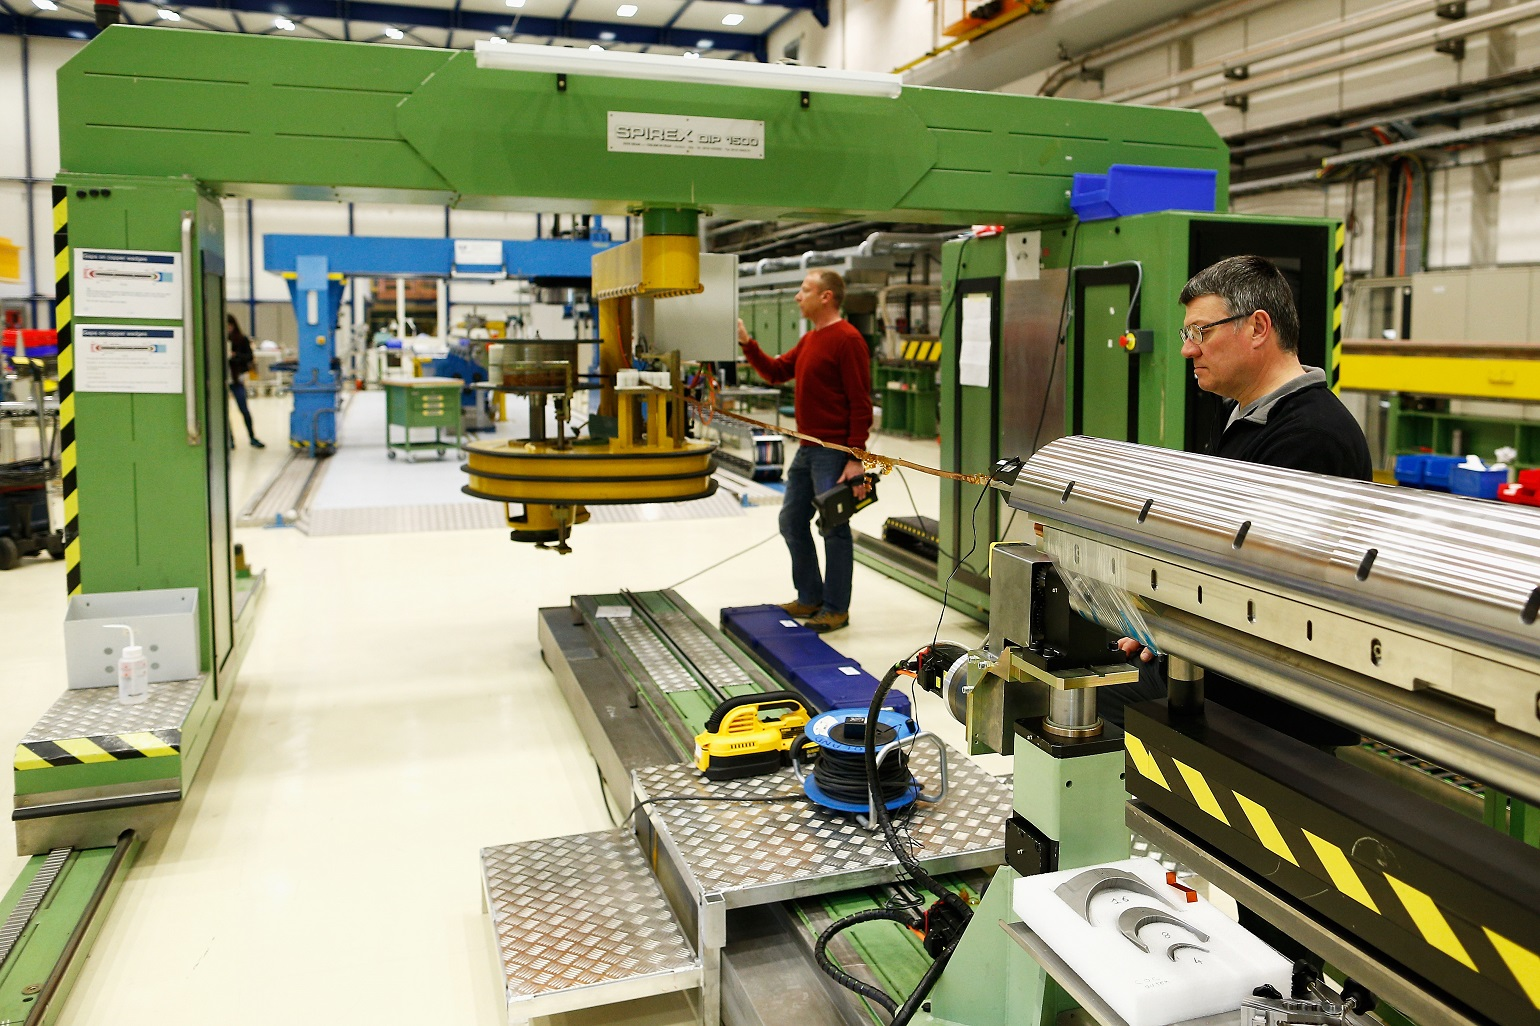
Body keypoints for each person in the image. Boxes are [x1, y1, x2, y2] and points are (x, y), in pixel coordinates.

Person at [1106, 254, 1372, 729]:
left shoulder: (1311, 437)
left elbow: (1273, 590)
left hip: (1274, 702)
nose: (1189, 350)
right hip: (1220, 663)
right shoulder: (1242, 416)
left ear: (1257, 328)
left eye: (1200, 332)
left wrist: (1170, 632)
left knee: (1081, 700)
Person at [737, 270, 873, 633]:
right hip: (807, 448)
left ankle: (835, 608)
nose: (798, 297)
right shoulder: (811, 339)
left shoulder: (847, 339)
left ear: (826, 296)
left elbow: (861, 402)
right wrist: (747, 343)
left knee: (834, 528)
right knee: (791, 521)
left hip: (832, 451)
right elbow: (777, 372)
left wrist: (855, 458)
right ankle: (810, 596)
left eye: (804, 290)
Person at [226, 314, 264, 449]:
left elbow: (249, 357)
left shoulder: (241, 340)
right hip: (223, 380)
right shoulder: (217, 340)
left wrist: (235, 356)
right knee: (225, 412)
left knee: (244, 409)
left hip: (237, 379)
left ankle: (252, 437)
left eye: (229, 325)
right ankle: (229, 440)